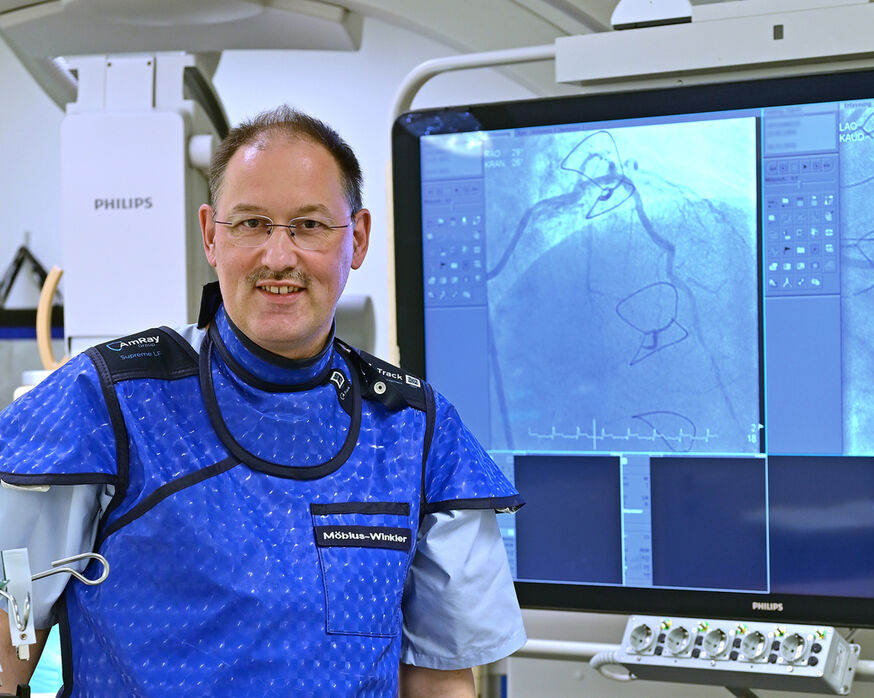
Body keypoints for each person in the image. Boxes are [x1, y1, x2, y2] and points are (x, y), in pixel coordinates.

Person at [0, 106, 526, 697]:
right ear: (210, 236)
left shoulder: (419, 434)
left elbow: (439, 677)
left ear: (358, 237)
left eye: (308, 225)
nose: (279, 257)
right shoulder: (104, 403)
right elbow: (6, 637)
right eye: (251, 224)